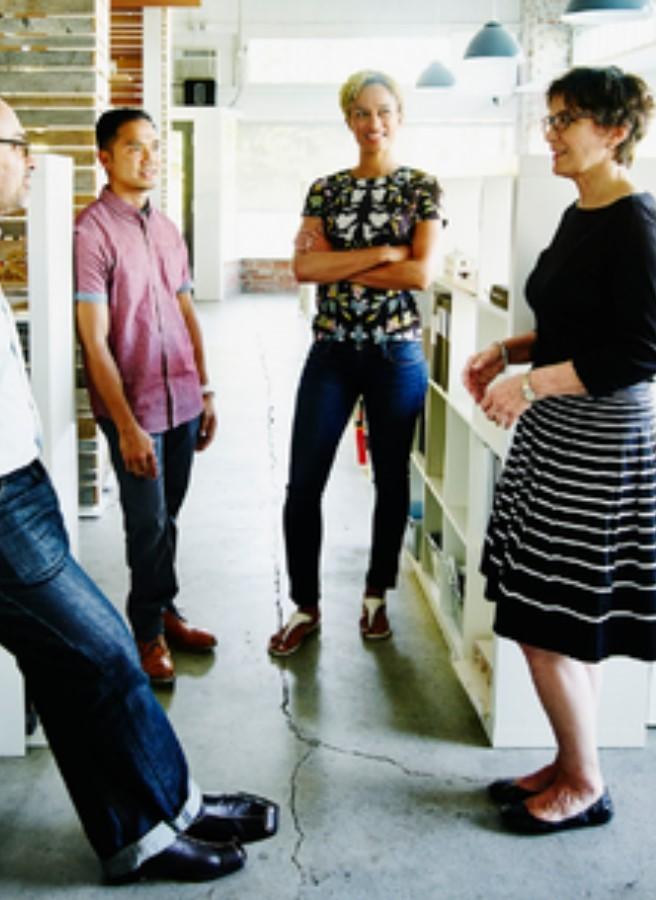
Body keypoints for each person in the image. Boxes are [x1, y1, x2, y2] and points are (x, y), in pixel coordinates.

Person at [0, 91, 276, 884]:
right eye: (17, 145)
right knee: (104, 653)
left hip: (0, 497)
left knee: (72, 666)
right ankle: (164, 822)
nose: (29, 161)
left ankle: (154, 823)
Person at [461, 67, 656, 835]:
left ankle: (584, 782)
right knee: (540, 613)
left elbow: (641, 352)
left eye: (565, 121)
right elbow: (579, 323)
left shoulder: (634, 222)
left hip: (595, 445)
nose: (550, 135)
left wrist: (534, 382)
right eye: (548, 121)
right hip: (557, 430)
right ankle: (565, 757)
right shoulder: (583, 210)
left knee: (552, 622)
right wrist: (507, 352)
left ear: (615, 131)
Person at [268, 69, 442, 657]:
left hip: (396, 353)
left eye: (385, 111)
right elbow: (303, 269)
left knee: (391, 482)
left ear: (400, 116)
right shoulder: (325, 189)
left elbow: (420, 274)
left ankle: (375, 598)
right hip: (333, 350)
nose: (374, 123)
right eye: (363, 113)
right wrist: (382, 253)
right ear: (348, 120)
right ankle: (305, 605)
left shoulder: (422, 186)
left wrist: (342, 262)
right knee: (303, 484)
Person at [74, 108, 217, 687]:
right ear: (105, 157)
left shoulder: (166, 228)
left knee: (169, 517)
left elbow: (186, 310)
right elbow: (93, 337)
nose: (150, 157)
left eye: (155, 147)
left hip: (181, 396)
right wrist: (127, 426)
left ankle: (164, 608)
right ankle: (146, 631)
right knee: (146, 522)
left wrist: (204, 388)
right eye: (135, 147)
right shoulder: (91, 232)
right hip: (135, 406)